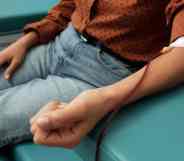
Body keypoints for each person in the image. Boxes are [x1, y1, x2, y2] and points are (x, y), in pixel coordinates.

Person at [0, 0, 184, 148]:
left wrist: (107, 98)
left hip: (99, 75)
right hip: (58, 45)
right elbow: (70, 5)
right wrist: (27, 40)